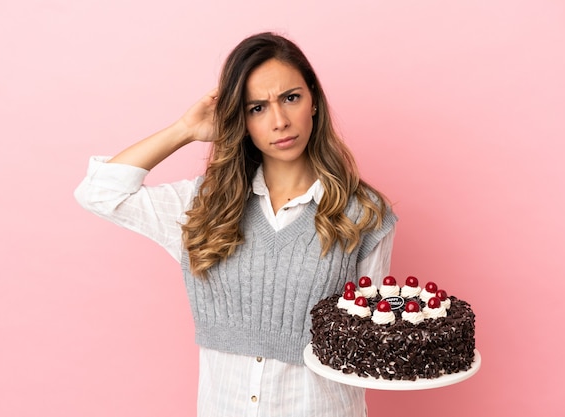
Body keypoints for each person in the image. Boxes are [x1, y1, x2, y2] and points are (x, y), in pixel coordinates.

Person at [75, 32, 397, 417]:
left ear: (313, 100)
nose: (279, 121)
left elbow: (367, 336)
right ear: (239, 119)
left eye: (291, 98)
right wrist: (185, 130)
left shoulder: (363, 211)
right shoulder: (203, 205)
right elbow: (98, 193)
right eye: (256, 108)